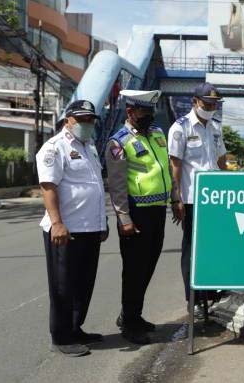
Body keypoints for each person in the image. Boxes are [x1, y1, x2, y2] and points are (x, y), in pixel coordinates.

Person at [36, 100, 107, 357]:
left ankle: (75, 328)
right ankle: (61, 337)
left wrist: (102, 222)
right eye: (83, 119)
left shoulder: (90, 147)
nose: (88, 124)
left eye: (91, 119)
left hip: (90, 228)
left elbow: (94, 186)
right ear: (69, 120)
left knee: (83, 283)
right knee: (63, 286)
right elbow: (48, 186)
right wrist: (56, 223)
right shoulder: (55, 148)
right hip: (65, 230)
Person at [105, 89, 173, 345]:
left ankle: (133, 314)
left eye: (150, 111)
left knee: (149, 266)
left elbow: (166, 168)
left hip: (158, 210)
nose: (149, 116)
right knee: (134, 270)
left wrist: (175, 198)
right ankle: (130, 324)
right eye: (144, 112)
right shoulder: (118, 142)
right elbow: (117, 185)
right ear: (130, 112)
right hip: (136, 214)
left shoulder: (157, 134)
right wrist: (124, 218)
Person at [168, 82, 227, 326]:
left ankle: (212, 295)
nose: (211, 108)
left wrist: (229, 190)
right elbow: (175, 165)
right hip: (192, 200)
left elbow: (221, 160)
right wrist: (176, 197)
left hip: (215, 200)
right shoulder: (180, 128)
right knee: (192, 250)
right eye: (207, 104)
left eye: (214, 104)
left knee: (214, 248)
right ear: (195, 102)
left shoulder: (215, 128)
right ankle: (194, 300)